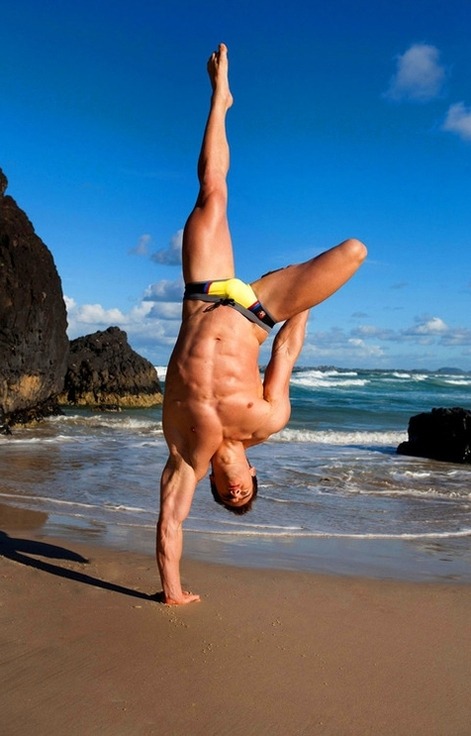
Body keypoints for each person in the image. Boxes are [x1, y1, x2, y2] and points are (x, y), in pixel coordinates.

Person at [157, 43, 367, 605]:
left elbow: (170, 522)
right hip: (256, 311)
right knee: (353, 252)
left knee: (211, 189)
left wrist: (173, 593)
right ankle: (288, 273)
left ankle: (220, 98)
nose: (235, 492)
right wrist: (300, 299)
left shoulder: (186, 455)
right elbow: (286, 355)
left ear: (215, 486)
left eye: (228, 498)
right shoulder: (270, 420)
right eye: (244, 493)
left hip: (205, 296)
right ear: (252, 476)